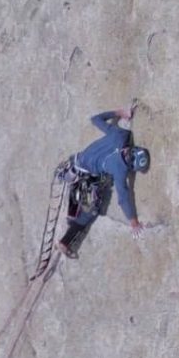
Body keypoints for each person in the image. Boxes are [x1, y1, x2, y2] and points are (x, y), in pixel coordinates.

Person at [57, 105, 151, 259]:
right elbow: (123, 196)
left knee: (84, 190)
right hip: (85, 176)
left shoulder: (122, 135)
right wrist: (134, 222)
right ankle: (65, 241)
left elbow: (95, 119)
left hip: (75, 160)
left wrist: (120, 113)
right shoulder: (120, 169)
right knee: (91, 211)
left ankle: (73, 209)